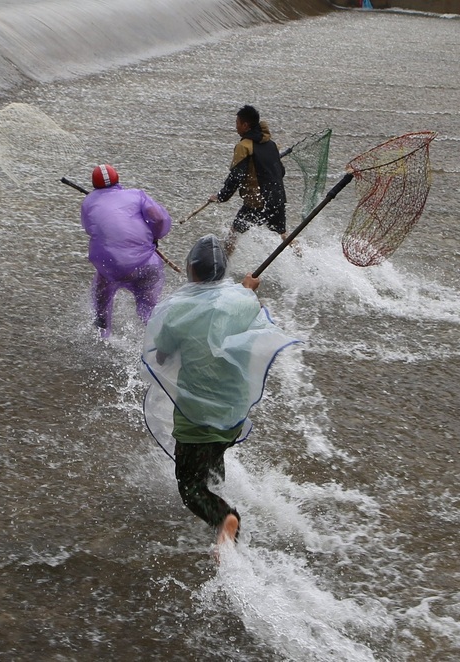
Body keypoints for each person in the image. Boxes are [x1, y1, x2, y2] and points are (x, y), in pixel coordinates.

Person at [140, 235, 298, 552]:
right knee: (214, 454)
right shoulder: (242, 302)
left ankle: (223, 516)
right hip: (233, 410)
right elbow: (241, 307)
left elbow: (161, 355)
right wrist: (247, 290)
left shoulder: (178, 312)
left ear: (191, 272)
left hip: (196, 415)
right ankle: (219, 501)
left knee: (189, 486)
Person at [80, 164, 172, 336]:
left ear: (94, 185)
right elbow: (158, 218)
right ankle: (163, 343)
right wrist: (154, 238)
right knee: (150, 313)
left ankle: (102, 332)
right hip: (148, 264)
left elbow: (92, 230)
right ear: (118, 179)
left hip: (112, 268)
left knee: (101, 297)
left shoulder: (88, 203)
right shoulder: (136, 195)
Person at [208, 105, 294, 257]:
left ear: (245, 125)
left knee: (234, 232)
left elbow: (236, 176)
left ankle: (222, 269)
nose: (236, 127)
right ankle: (305, 261)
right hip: (278, 199)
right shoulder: (271, 144)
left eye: (238, 123)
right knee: (283, 236)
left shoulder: (244, 147)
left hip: (258, 201)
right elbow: (281, 172)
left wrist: (221, 196)